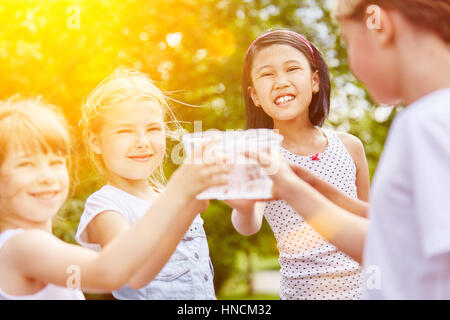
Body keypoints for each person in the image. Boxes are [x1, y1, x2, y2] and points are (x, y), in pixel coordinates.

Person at [247, 0, 450, 299]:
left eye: (348, 42)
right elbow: (391, 243)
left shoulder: (428, 123)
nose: (351, 61)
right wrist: (319, 192)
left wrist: (291, 188)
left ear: (378, 24)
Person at [0, 97, 229, 300]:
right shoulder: (22, 246)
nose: (47, 177)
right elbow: (108, 273)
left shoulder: (35, 248)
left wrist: (186, 208)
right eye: (25, 165)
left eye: (56, 163)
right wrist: (178, 189)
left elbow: (137, 276)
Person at [227, 29, 371, 300]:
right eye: (267, 74)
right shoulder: (260, 155)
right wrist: (244, 208)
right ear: (255, 96)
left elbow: (370, 223)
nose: (280, 82)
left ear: (315, 81)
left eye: (292, 68)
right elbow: (248, 225)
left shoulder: (351, 146)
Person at [75, 69, 218, 299]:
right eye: (125, 131)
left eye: (153, 129)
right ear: (96, 141)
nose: (142, 142)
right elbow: (132, 273)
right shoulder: (106, 206)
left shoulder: (175, 198)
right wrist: (181, 201)